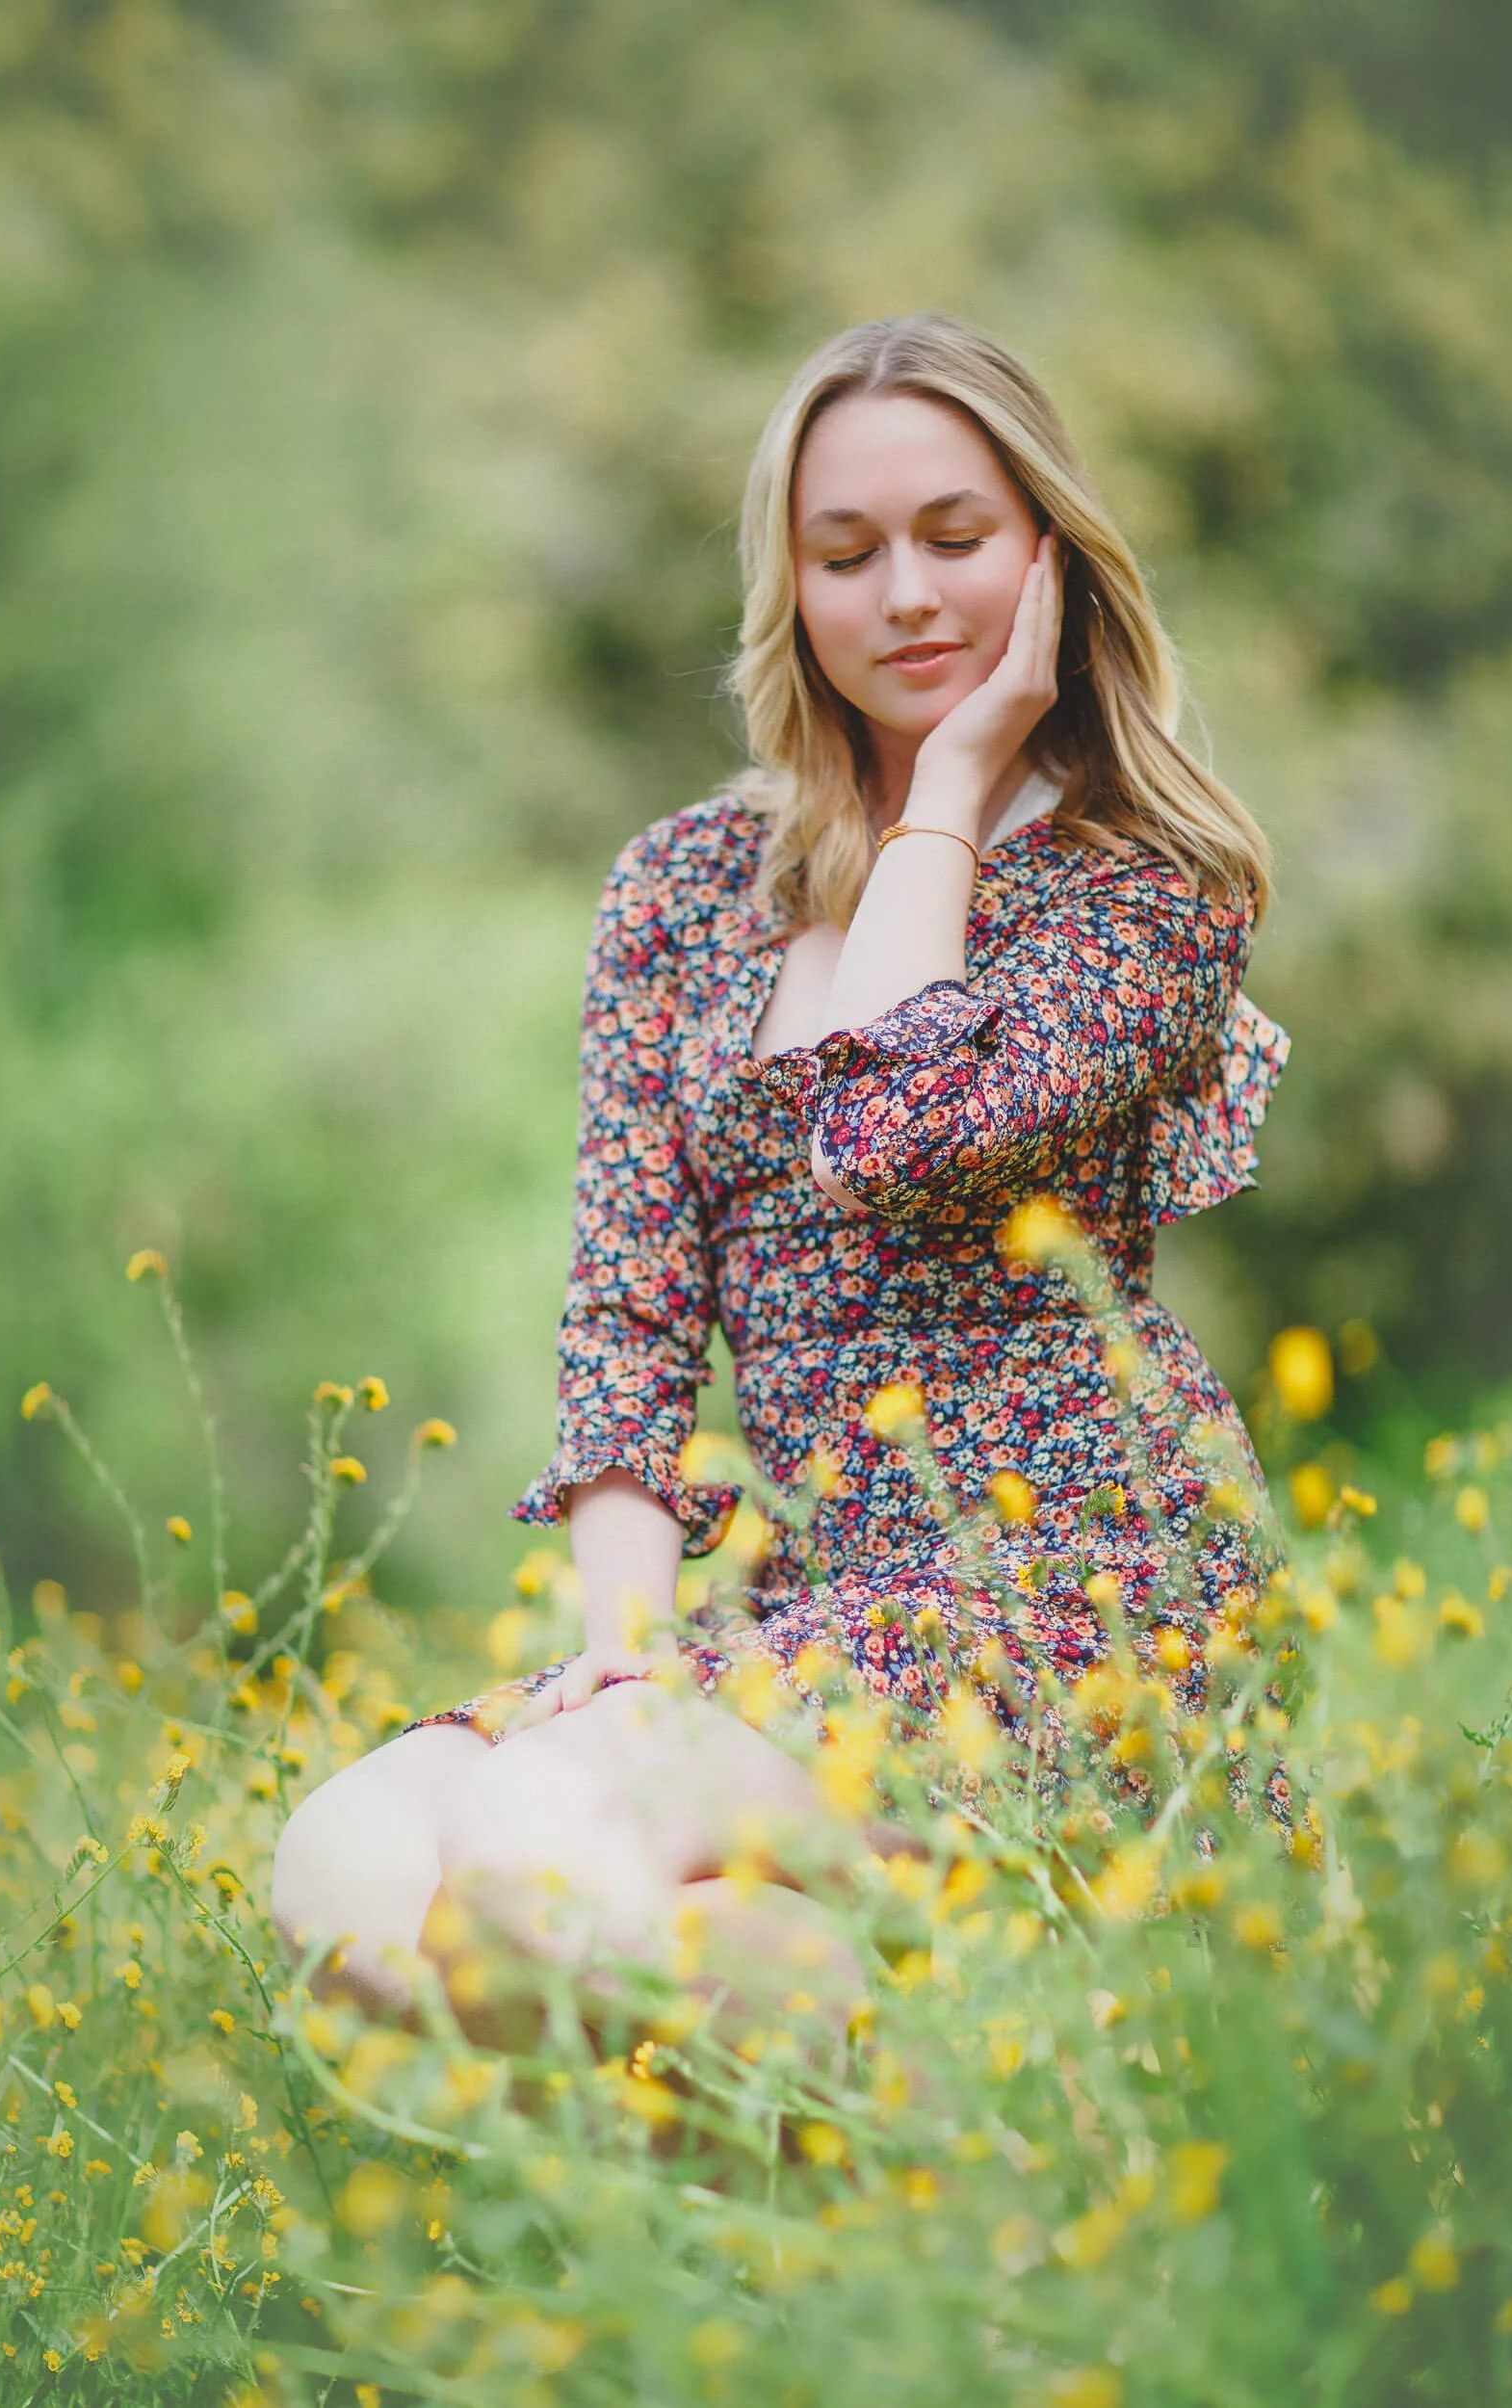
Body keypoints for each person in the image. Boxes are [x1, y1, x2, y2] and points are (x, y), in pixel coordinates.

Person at [272, 314, 1288, 2037]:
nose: (903, 596)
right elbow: (628, 1302)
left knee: (537, 1847)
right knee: (348, 1870)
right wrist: (621, 1643)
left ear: (1051, 560)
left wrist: (951, 790)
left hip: (1061, 1587)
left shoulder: (1143, 893)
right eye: (847, 552)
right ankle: (910, 2092)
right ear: (790, 586)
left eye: (955, 540)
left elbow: (879, 1128)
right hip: (809, 1600)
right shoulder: (682, 888)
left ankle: (933, 2134)